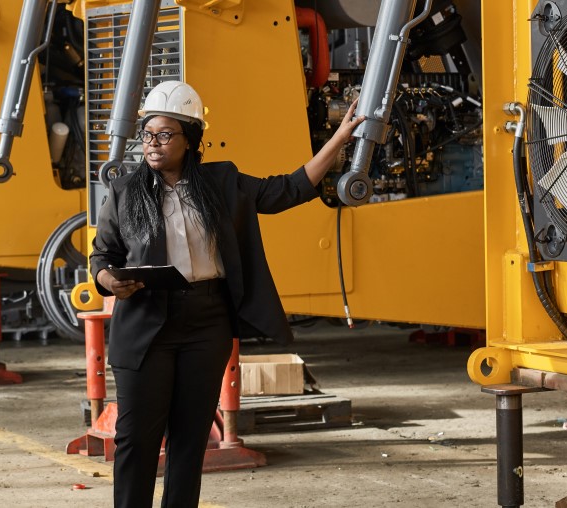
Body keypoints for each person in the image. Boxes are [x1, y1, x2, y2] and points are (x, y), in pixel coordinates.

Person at [89, 80, 363, 508]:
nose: (152, 144)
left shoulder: (222, 181)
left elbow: (286, 189)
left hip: (206, 323)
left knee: (189, 441)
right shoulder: (125, 191)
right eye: (147, 135)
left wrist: (339, 139)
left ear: (191, 139)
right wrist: (109, 280)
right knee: (136, 441)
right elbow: (102, 256)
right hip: (145, 324)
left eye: (164, 135)